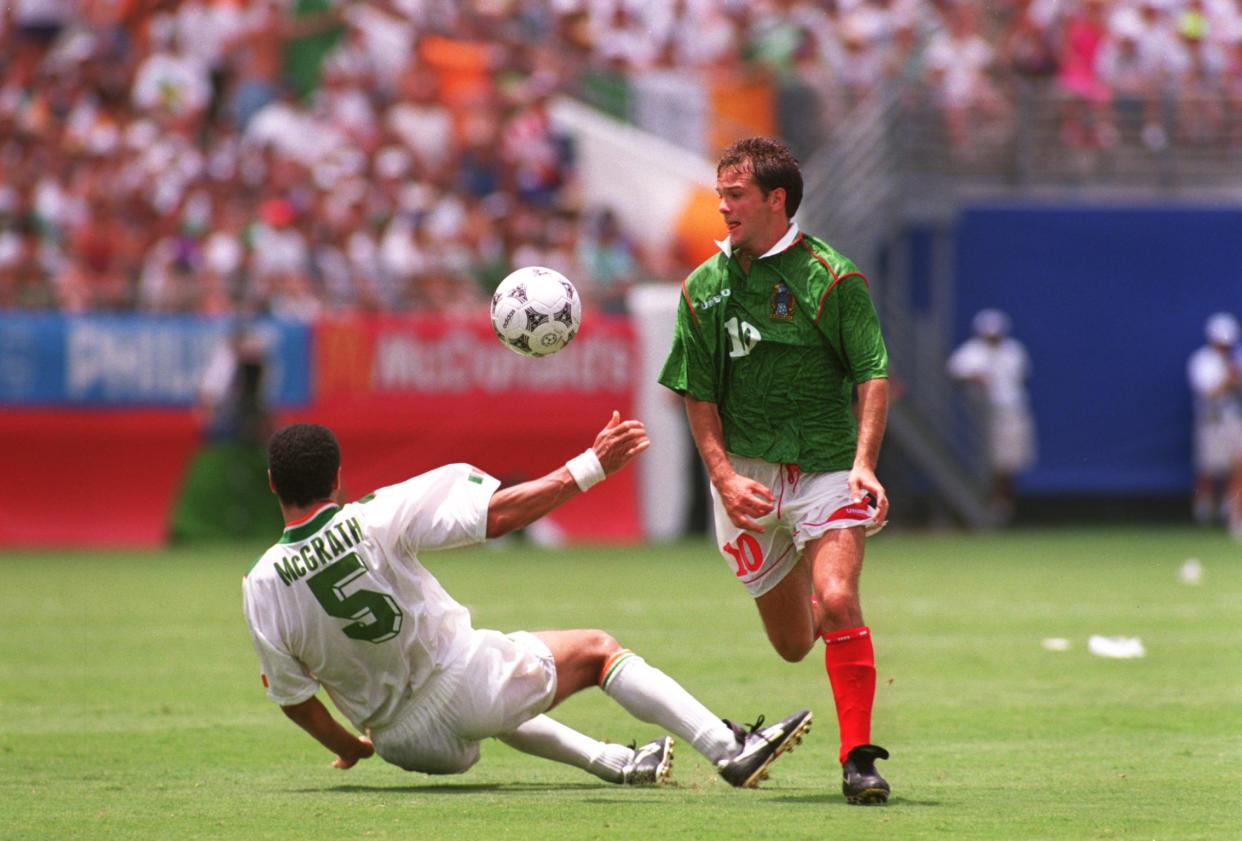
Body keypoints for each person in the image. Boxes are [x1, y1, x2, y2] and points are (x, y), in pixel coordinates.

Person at [243, 417, 812, 788]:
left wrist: (354, 747)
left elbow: (295, 699)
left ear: (271, 483)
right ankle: (727, 747)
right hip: (461, 685)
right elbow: (498, 515)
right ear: (338, 478)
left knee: (500, 694)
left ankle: (617, 762)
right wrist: (589, 467)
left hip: (405, 744)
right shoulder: (373, 515)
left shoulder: (261, 582)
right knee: (596, 651)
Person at [657, 137, 892, 805]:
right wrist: (725, 476)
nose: (722, 205)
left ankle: (858, 758)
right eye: (720, 193)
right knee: (793, 643)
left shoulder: (832, 277)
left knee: (840, 597)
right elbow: (695, 392)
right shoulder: (704, 286)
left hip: (825, 470)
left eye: (735, 194)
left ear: (775, 200)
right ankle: (819, 593)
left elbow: (872, 371)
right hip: (747, 479)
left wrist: (865, 464)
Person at [946, 308, 1037, 522]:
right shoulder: (971, 352)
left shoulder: (1014, 350)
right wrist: (974, 380)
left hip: (1011, 411)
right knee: (987, 460)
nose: (992, 337)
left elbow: (1021, 378)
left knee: (1009, 461)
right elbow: (956, 373)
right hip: (983, 417)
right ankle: (991, 502)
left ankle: (1003, 505)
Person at [1186, 312, 1242, 536]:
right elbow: (1208, 394)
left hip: (1234, 420)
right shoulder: (1202, 361)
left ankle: (1235, 516)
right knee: (1208, 471)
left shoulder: (1237, 360)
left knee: (1239, 467)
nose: (1224, 347)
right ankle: (1204, 511)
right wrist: (1227, 379)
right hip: (1210, 423)